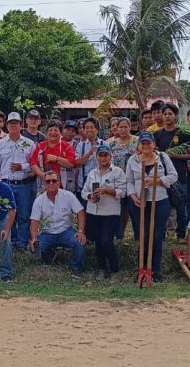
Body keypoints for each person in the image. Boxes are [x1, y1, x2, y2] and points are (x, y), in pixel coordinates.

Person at [126, 131, 177, 283]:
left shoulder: (162, 157)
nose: (146, 145)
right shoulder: (133, 160)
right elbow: (128, 181)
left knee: (156, 236)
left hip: (159, 201)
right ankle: (142, 267)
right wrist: (132, 196)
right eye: (143, 143)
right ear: (139, 145)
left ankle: (155, 269)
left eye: (149, 143)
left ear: (153, 144)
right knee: (143, 236)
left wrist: (158, 181)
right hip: (139, 201)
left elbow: (174, 176)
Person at [81, 144, 126, 280]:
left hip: (110, 212)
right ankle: (102, 268)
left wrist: (107, 190)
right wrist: (90, 196)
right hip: (93, 212)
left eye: (106, 155)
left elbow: (123, 192)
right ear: (96, 157)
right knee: (98, 242)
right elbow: (84, 191)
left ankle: (115, 270)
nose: (103, 158)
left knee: (107, 241)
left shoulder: (118, 172)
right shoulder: (92, 173)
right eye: (100, 155)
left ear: (111, 156)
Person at [29, 171, 87, 276]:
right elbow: (34, 221)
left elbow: (80, 212)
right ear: (44, 184)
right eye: (48, 181)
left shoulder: (68, 195)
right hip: (47, 233)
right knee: (36, 249)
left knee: (79, 242)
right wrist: (34, 238)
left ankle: (76, 268)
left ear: (59, 182)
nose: (51, 183)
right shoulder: (39, 201)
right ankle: (49, 259)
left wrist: (80, 231)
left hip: (66, 231)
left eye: (54, 181)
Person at [0, 112, 36, 249]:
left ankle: (22, 243)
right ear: (7, 125)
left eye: (16, 123)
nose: (13, 125)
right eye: (10, 123)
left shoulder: (29, 143)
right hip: (6, 185)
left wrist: (21, 167)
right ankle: (10, 240)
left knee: (23, 215)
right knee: (7, 214)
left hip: (23, 184)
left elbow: (34, 164)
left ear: (20, 125)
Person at [153, 103, 190, 238]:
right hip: (162, 176)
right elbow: (153, 153)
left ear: (175, 116)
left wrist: (174, 155)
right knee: (163, 207)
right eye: (165, 114)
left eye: (170, 114)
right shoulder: (157, 134)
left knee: (181, 207)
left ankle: (181, 235)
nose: (167, 116)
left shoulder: (184, 134)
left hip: (179, 175)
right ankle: (162, 234)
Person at [109, 116, 138, 240]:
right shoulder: (111, 143)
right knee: (118, 207)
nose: (123, 129)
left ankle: (137, 234)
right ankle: (119, 234)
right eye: (120, 127)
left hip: (133, 179)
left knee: (132, 208)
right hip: (117, 180)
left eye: (125, 127)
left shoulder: (137, 141)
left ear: (130, 127)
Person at [72, 118, 104, 201]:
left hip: (101, 180)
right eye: (87, 127)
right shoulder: (80, 145)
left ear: (97, 129)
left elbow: (110, 163)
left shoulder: (104, 144)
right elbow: (77, 162)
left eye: (91, 127)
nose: (89, 129)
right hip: (83, 182)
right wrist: (89, 153)